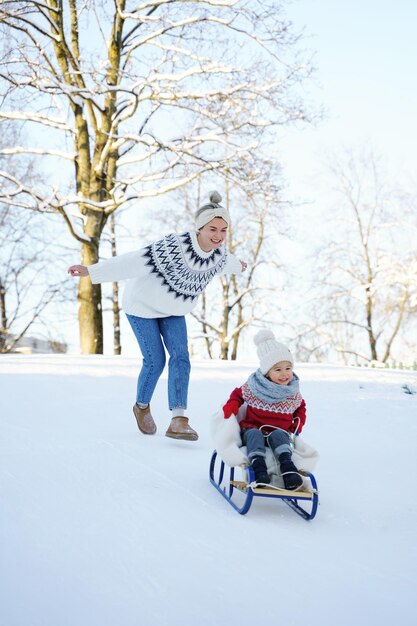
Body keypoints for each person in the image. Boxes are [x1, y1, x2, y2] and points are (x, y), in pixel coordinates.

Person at [68, 191, 247, 441]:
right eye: (212, 229)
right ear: (199, 228)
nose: (218, 236)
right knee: (156, 361)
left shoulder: (219, 257)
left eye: (223, 230)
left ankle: (178, 419)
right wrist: (92, 271)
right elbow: (135, 261)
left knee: (181, 358)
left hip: (174, 310)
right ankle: (141, 406)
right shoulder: (175, 246)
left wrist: (240, 266)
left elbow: (231, 263)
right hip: (142, 306)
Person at [222, 329, 306, 489]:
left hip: (278, 431)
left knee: (281, 437)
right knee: (254, 435)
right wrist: (233, 404)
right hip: (253, 428)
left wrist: (298, 423)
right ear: (267, 373)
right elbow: (238, 394)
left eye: (288, 368)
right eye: (278, 369)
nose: (284, 374)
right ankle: (259, 468)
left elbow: (300, 407)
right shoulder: (255, 387)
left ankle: (288, 470)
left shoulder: (292, 391)